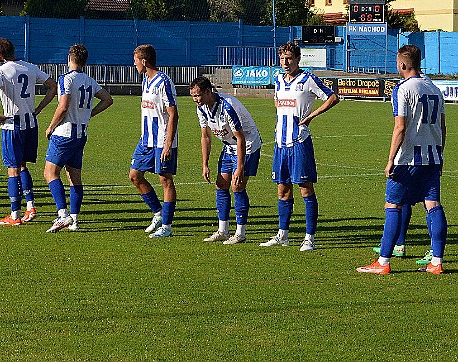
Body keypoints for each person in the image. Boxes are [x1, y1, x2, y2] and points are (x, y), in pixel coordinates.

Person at [358, 44, 447, 275]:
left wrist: (390, 160)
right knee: (433, 205)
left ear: (403, 64)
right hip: (433, 157)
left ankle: (384, 262)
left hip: (407, 160)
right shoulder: (435, 88)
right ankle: (436, 262)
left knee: (393, 205)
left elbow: (400, 127)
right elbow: (443, 127)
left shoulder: (402, 88)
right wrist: (441, 154)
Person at [260, 41, 339, 251]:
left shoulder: (308, 79)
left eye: (289, 59)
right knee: (282, 189)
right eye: (282, 59)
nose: (285, 63)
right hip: (280, 142)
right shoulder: (277, 80)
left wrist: (311, 115)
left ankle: (309, 237)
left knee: (305, 189)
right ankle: (282, 234)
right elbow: (277, 102)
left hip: (299, 141)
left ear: (298, 59)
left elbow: (333, 97)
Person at [44, 44, 113, 232]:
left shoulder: (65, 79)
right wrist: (89, 113)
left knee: (50, 173)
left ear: (69, 58)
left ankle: (63, 215)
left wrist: (51, 126)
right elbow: (108, 99)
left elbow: (63, 106)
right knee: (74, 177)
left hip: (64, 133)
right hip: (81, 133)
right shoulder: (89, 80)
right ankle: (74, 220)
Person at [0, 37, 57, 226]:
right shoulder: (30, 67)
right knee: (23, 166)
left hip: (12, 125)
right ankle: (30, 206)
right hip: (30, 124)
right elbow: (53, 86)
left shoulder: (1, 70)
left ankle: (15, 215)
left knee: (12, 170)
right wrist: (39, 108)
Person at [190, 76, 262, 244]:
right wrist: (205, 164)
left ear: (208, 91)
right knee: (221, 184)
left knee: (237, 186)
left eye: (198, 95)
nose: (195, 100)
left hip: (247, 145)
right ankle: (222, 230)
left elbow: (240, 138)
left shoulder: (228, 107)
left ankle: (240, 233)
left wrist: (240, 167)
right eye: (193, 96)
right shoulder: (201, 108)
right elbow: (205, 136)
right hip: (228, 145)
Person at [129, 44, 179, 238]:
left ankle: (166, 226)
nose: (134, 65)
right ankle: (158, 213)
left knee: (165, 180)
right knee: (134, 175)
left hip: (161, 140)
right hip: (146, 140)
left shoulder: (163, 81)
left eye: (135, 61)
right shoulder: (145, 81)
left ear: (144, 61)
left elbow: (173, 115)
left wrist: (168, 144)